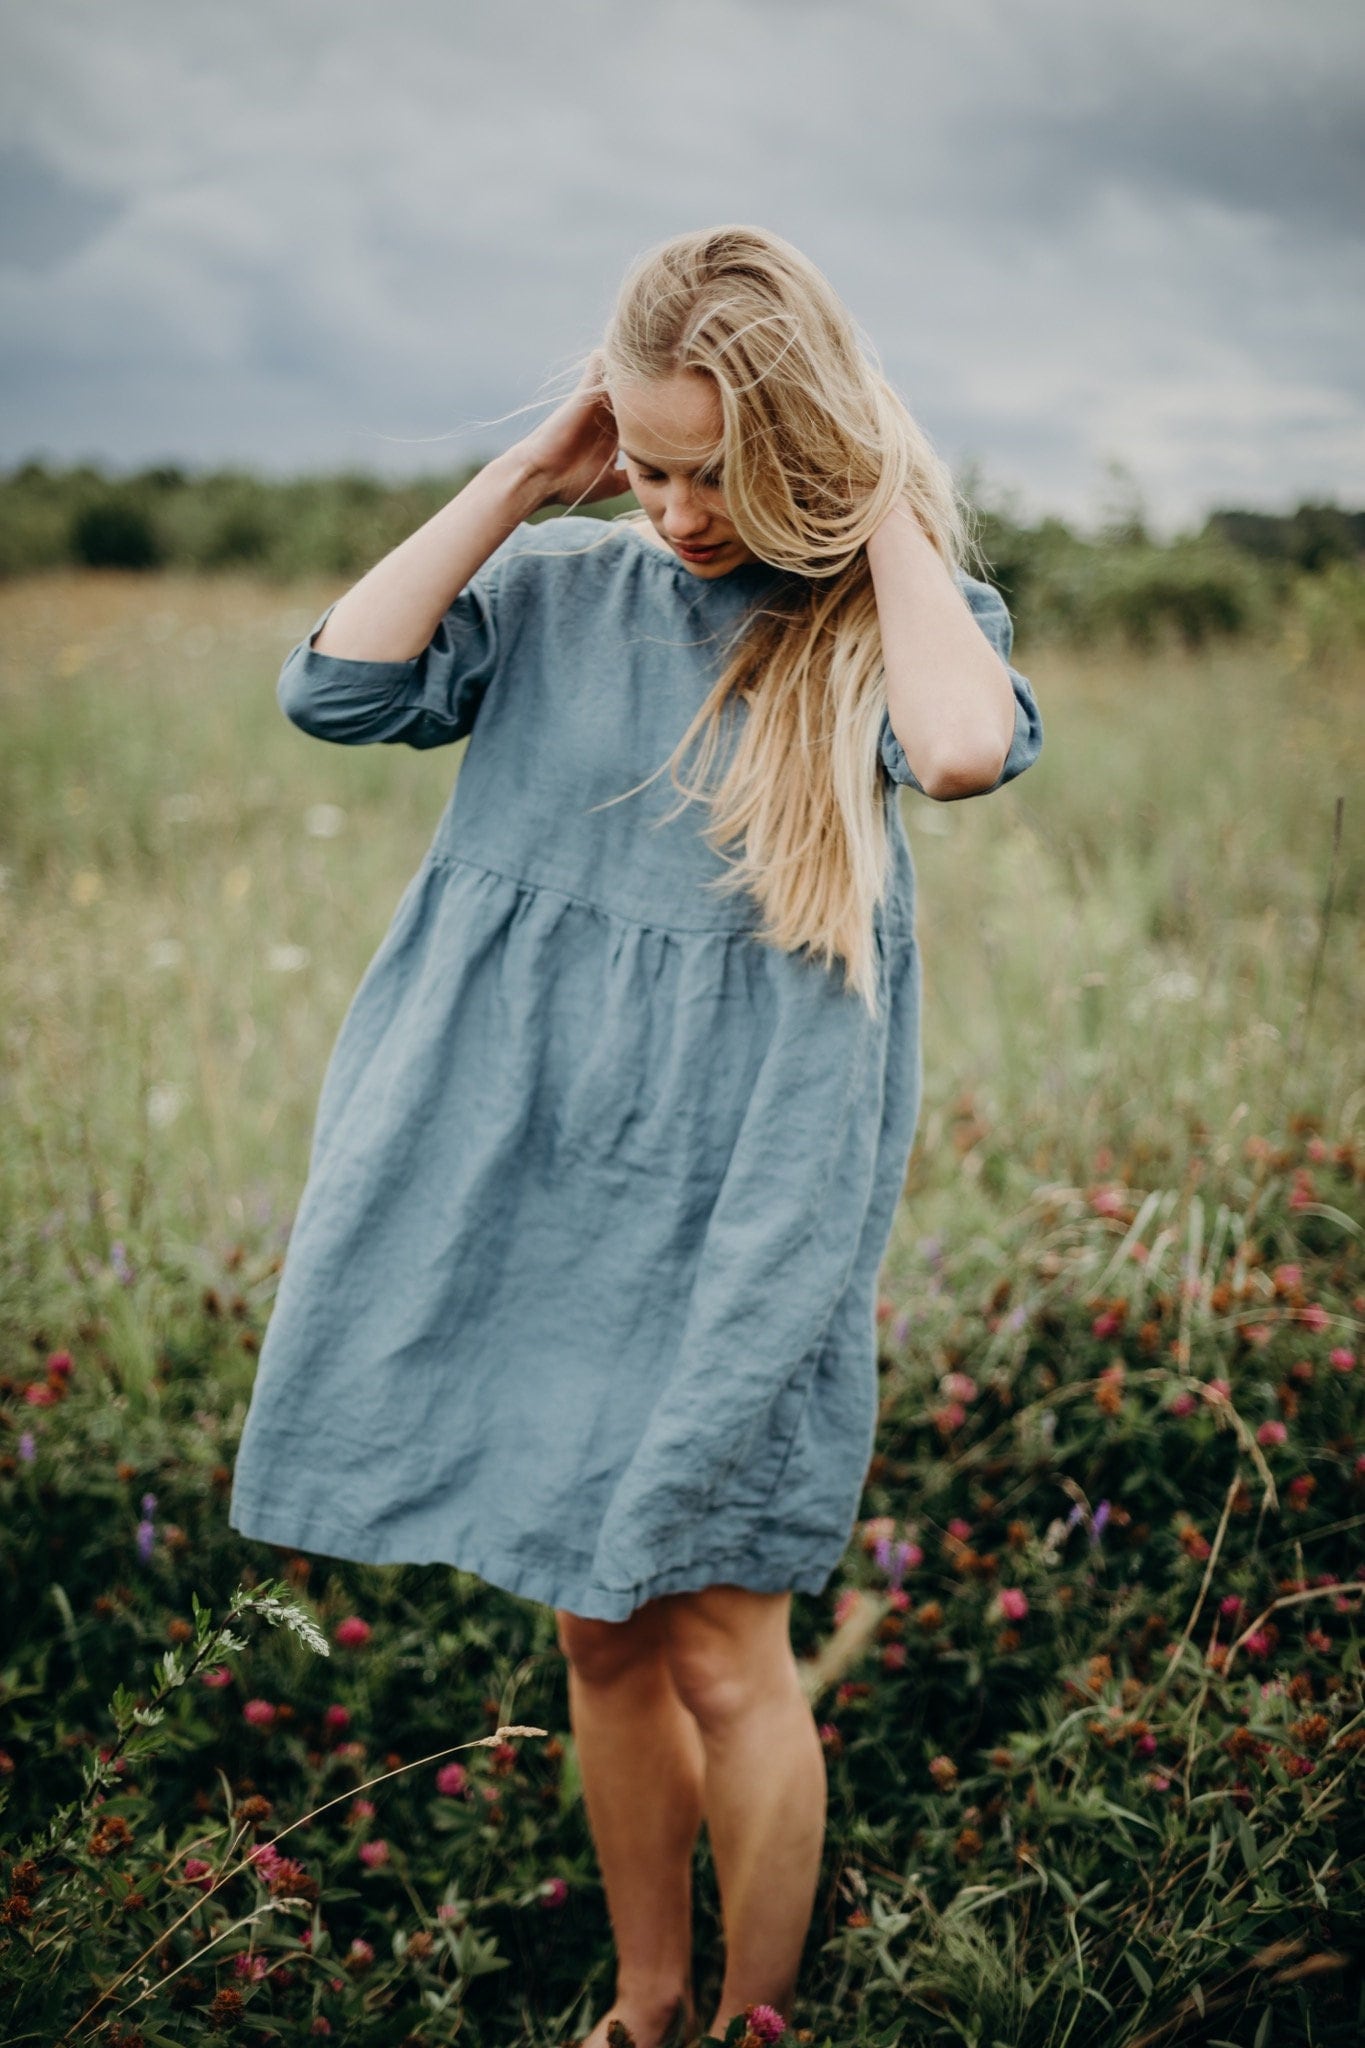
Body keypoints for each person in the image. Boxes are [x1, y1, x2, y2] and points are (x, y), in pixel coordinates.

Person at [228, 224, 1043, 2047]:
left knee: (724, 1647)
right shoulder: (554, 594)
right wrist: (528, 476)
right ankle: (646, 2002)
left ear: (805, 453)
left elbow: (968, 751)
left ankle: (755, 2019)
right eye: (653, 464)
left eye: (721, 471)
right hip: (526, 1176)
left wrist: (876, 496)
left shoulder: (874, 635)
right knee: (597, 1635)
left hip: (743, 1192)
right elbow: (335, 687)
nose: (677, 511)